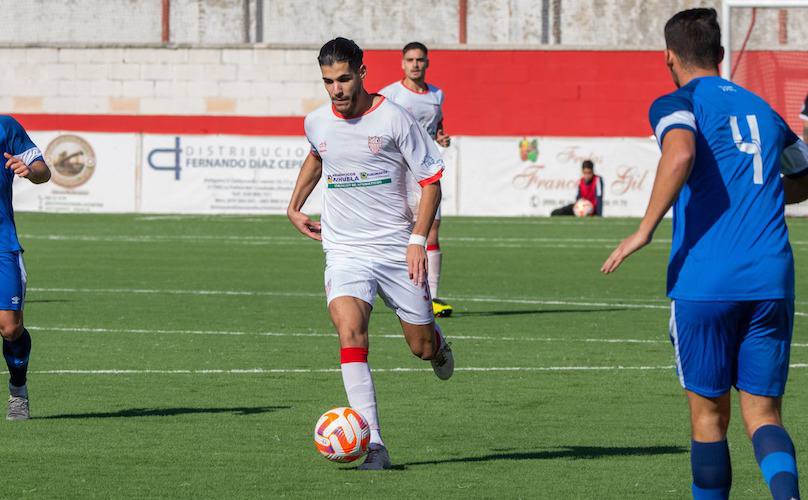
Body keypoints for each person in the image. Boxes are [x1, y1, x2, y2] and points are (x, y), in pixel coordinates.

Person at [602, 8, 807, 500]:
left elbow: (681, 152)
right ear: (720, 55)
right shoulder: (764, 108)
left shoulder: (678, 101)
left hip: (706, 279)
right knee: (763, 416)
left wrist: (644, 230)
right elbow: (804, 176)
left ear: (668, 57)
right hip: (771, 276)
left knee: (709, 417)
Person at [287, 37, 454, 471]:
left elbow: (431, 181)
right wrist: (293, 205)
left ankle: (436, 344)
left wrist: (417, 241)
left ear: (361, 73)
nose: (336, 90)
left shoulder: (394, 119)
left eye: (343, 79)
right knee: (350, 333)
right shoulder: (317, 121)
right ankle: (375, 444)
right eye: (328, 82)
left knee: (418, 347)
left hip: (397, 247)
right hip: (344, 249)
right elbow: (316, 157)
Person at [378, 42, 453, 318]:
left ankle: (430, 297)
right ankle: (390, 288)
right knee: (398, 230)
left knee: (431, 230)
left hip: (427, 170)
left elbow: (436, 124)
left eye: (420, 60)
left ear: (427, 62)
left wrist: (441, 135)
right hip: (399, 173)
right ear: (402, 63)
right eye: (410, 60)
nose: (415, 64)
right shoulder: (390, 94)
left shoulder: (436, 94)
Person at [0, 116, 51, 420]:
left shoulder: (7, 127)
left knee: (10, 328)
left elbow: (44, 171)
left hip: (2, 242)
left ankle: (18, 391)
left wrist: (29, 171)